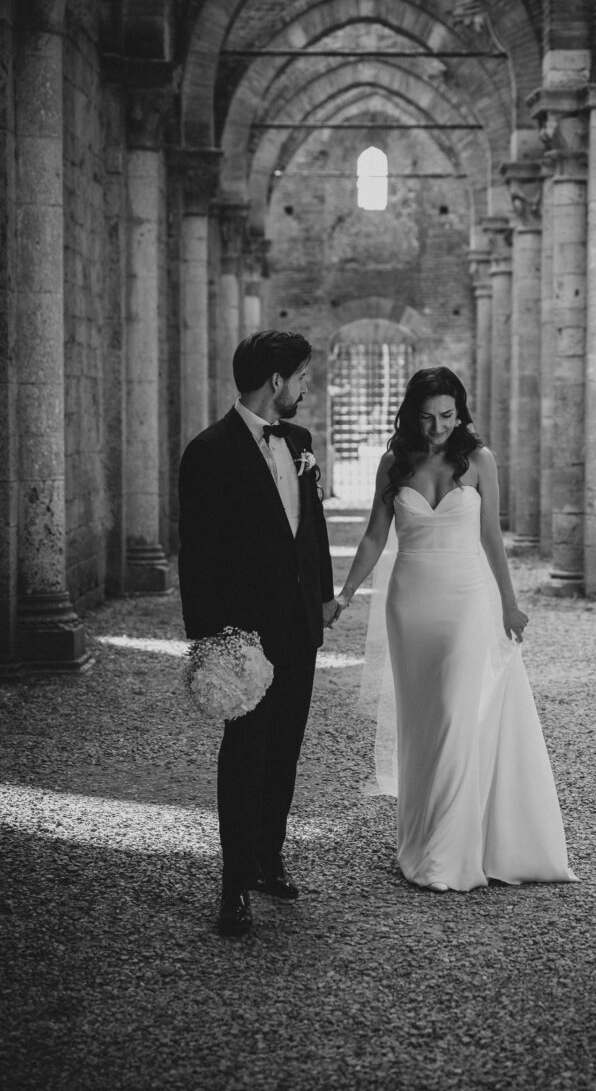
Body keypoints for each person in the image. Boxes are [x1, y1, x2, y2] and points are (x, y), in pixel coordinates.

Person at [335, 367, 577, 892]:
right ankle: (424, 838)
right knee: (423, 721)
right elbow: (376, 537)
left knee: (455, 713)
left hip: (468, 599)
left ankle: (450, 851)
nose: (438, 426)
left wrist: (510, 604)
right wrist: (346, 594)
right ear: (410, 415)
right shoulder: (393, 462)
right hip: (411, 603)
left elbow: (492, 538)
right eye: (427, 417)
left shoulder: (481, 460)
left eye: (447, 415)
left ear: (459, 411)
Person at [178, 330, 337, 936]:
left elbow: (312, 529)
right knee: (246, 753)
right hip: (243, 636)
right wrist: (209, 641)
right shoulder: (210, 450)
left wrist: (321, 596)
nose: (305, 387)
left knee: (286, 748)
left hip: (298, 626)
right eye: (301, 376)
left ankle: (269, 858)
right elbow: (199, 557)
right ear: (276, 381)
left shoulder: (299, 441)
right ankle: (234, 884)